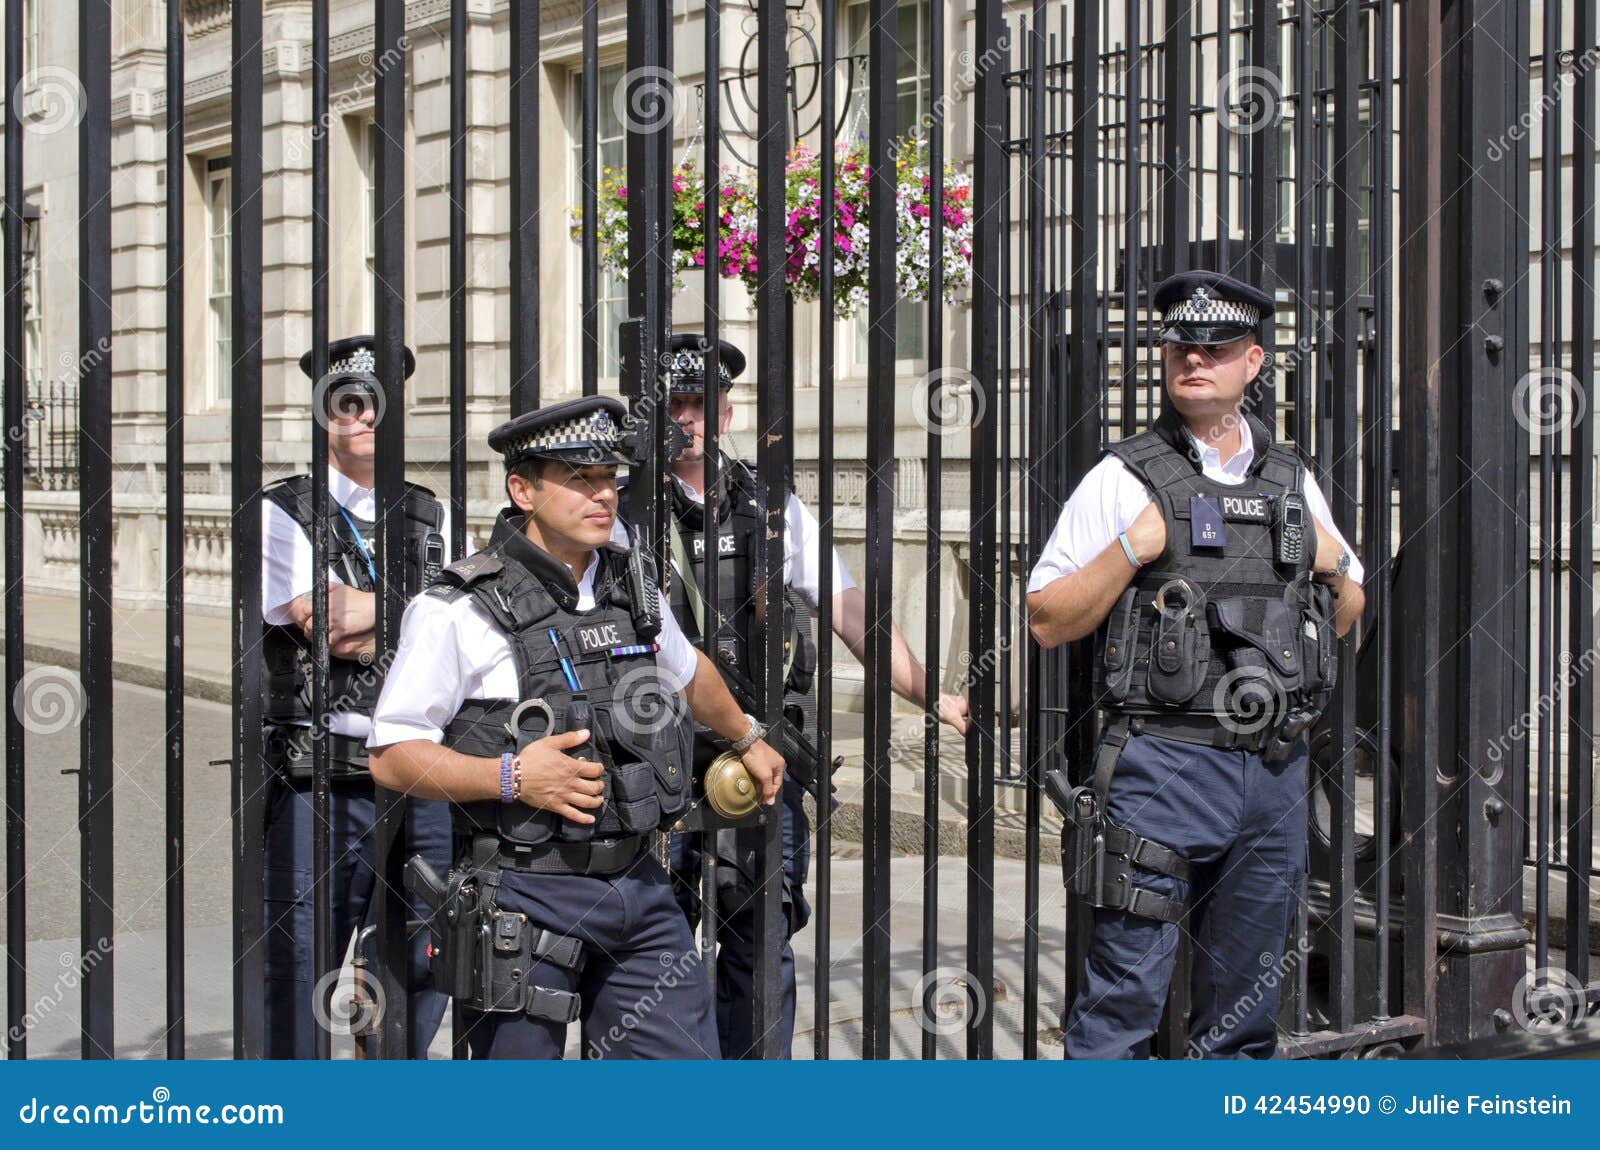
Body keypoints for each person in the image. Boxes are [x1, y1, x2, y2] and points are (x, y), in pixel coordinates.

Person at [366, 393, 786, 1060]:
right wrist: (509, 776)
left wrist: (745, 736)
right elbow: (391, 755)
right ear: (522, 490)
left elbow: (689, 671)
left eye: (609, 479)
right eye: (579, 479)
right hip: (524, 898)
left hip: (641, 888)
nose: (603, 496)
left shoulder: (632, 586)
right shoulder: (456, 608)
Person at [1025, 271, 1366, 1059]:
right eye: (1181, 346)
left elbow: (1348, 613)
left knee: (1244, 1025)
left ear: (1252, 362)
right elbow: (1046, 619)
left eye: (1215, 349)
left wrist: (1333, 570)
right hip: (1162, 767)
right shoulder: (1126, 474)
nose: (1194, 361)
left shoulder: (1289, 479)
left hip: (1272, 771)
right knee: (1119, 1014)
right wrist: (1130, 548)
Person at [648, 333, 970, 1059]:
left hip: (762, 759)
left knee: (760, 936)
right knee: (655, 946)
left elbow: (852, 615)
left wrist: (933, 696)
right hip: (654, 758)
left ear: (727, 413)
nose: (688, 418)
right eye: (674, 404)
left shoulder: (771, 506)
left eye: (701, 404)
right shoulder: (624, 510)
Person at [259, 336, 460, 1059]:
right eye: (347, 402)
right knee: (302, 960)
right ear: (325, 414)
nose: (363, 415)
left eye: (376, 401)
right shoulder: (282, 511)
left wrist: (376, 609)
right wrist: (419, 611)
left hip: (424, 769)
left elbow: (465, 628)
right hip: (324, 773)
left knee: (424, 954)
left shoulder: (433, 513)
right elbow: (323, 625)